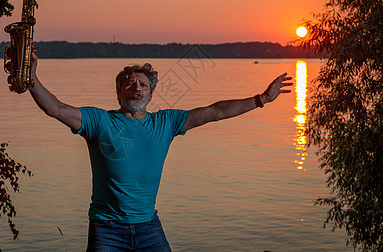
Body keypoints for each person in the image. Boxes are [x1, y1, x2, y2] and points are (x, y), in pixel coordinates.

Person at [28, 52, 292, 252]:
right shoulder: (99, 121)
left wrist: (262, 99)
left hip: (149, 228)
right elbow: (56, 109)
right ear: (118, 93)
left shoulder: (165, 123)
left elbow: (215, 112)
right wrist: (31, 80)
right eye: (130, 84)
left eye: (143, 84)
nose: (137, 88)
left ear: (151, 93)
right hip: (107, 229)